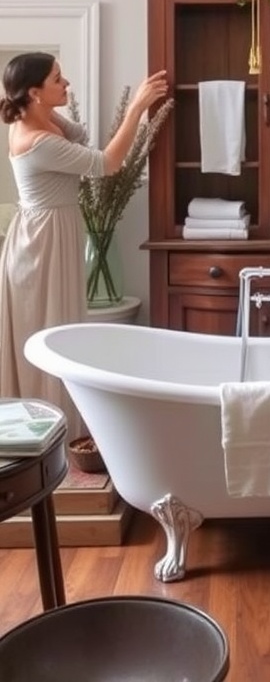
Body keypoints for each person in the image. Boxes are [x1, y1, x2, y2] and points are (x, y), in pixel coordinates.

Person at [0, 52, 169, 439]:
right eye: (58, 79)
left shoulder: (35, 121)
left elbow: (79, 137)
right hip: (40, 245)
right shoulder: (37, 140)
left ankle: (54, 427)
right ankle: (47, 431)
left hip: (46, 233)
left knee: (58, 330)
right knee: (49, 333)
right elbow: (106, 163)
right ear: (34, 91)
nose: (67, 84)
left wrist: (44, 108)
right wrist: (136, 108)